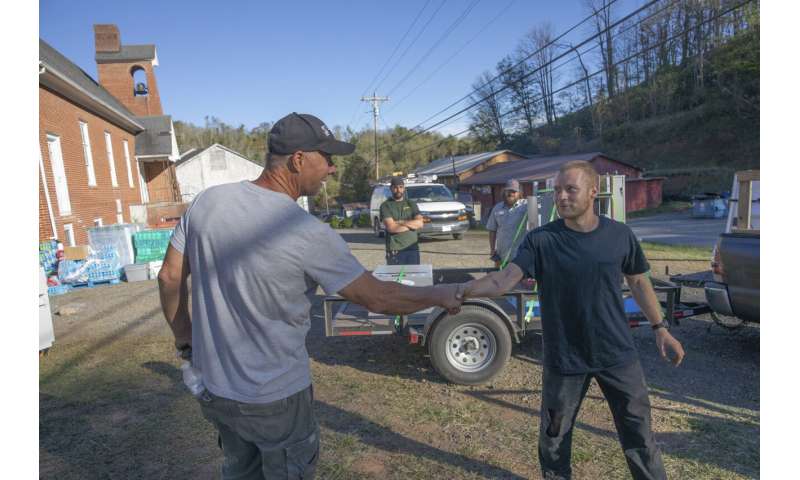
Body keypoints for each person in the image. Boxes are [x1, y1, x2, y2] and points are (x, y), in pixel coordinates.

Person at [158, 112, 464, 480]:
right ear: (298, 159)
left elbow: (169, 276)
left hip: (218, 391)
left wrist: (186, 344)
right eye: (328, 158)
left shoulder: (207, 203)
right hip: (277, 399)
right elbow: (378, 298)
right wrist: (442, 294)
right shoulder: (305, 231)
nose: (333, 169)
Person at [456, 161, 685, 480]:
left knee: (639, 434)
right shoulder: (541, 240)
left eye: (570, 189)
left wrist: (661, 328)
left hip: (617, 354)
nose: (562, 196)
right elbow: (503, 281)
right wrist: (458, 292)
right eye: (558, 190)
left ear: (593, 192)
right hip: (565, 358)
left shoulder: (619, 235)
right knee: (554, 437)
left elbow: (638, 281)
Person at [379, 176, 425, 265]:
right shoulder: (385, 206)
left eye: (400, 187)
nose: (398, 190)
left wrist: (400, 222)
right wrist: (412, 225)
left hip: (413, 249)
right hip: (395, 250)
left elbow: (420, 223)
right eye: (395, 187)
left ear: (404, 188)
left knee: (413, 278)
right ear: (391, 188)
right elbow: (391, 228)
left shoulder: (411, 204)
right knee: (396, 278)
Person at [486, 179, 528, 268]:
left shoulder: (526, 206)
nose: (510, 193)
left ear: (519, 193)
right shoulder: (497, 208)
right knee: (499, 279)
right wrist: (492, 249)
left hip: (519, 256)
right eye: (508, 191)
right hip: (501, 255)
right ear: (504, 192)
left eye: (513, 191)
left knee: (518, 280)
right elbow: (492, 230)